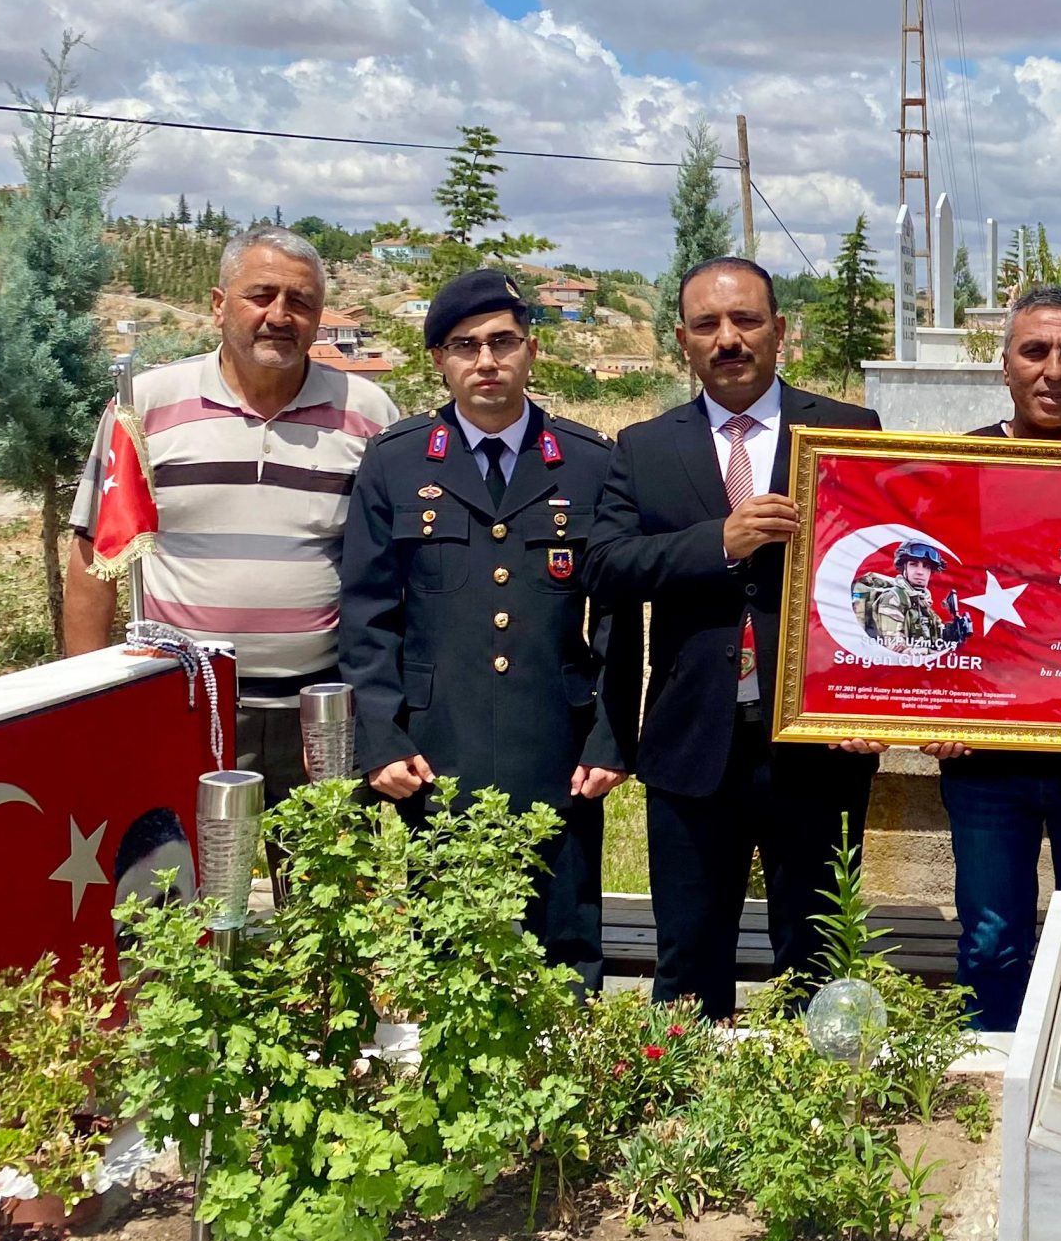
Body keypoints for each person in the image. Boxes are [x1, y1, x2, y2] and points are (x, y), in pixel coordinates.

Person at [582, 257, 881, 1012]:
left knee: (820, 957)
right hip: (692, 742)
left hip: (818, 745)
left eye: (746, 321)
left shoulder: (849, 431)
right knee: (688, 956)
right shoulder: (644, 448)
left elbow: (889, 569)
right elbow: (609, 567)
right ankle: (684, 1116)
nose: (729, 340)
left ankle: (817, 1117)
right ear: (682, 340)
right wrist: (720, 540)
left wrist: (874, 703)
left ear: (781, 331)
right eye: (708, 325)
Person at [337, 269, 638, 988]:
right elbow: (367, 611)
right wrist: (381, 737)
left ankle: (570, 1085)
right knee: (443, 942)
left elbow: (617, 621)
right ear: (440, 359)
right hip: (440, 746)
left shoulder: (590, 463)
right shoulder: (397, 461)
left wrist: (610, 737)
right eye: (464, 345)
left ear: (531, 350)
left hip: (555, 742)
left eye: (502, 342)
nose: (486, 361)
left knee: (563, 938)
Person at [67, 226, 398, 801]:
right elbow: (95, 555)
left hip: (320, 710)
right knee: (184, 885)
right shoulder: (142, 406)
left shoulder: (367, 413)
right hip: (187, 705)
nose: (280, 314)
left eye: (301, 302)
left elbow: (394, 568)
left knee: (327, 885)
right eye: (261, 295)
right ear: (219, 306)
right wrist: (89, 703)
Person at [907, 283, 1061, 1031]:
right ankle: (991, 1088)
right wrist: (931, 708)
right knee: (990, 941)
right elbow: (927, 608)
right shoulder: (954, 474)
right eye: (1034, 350)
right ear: (1004, 366)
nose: (1055, 369)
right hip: (986, 766)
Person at [855, 542, 966, 654]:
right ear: (904, 568)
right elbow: (894, 647)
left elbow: (935, 635)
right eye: (913, 564)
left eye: (926, 566)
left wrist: (951, 632)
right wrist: (931, 653)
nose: (920, 572)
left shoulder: (922, 603)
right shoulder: (894, 597)